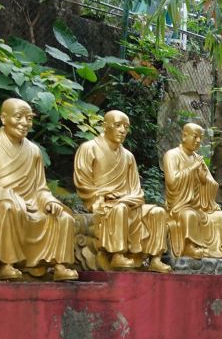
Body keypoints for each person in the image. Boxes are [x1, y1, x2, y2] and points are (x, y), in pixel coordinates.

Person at [0, 98, 78, 281]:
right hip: (2, 203)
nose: (24, 123)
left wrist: (49, 200)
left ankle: (59, 266)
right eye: (18, 117)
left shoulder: (34, 151)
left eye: (29, 118)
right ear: (3, 118)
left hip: (32, 204)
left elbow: (41, 188)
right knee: (9, 209)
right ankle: (6, 264)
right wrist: (6, 195)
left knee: (63, 218)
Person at [73, 110, 170, 272]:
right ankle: (117, 254)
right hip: (104, 203)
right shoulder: (89, 148)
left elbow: (137, 192)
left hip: (127, 203)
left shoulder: (128, 156)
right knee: (119, 209)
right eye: (118, 125)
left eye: (126, 127)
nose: (122, 130)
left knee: (158, 212)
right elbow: (82, 181)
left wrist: (126, 198)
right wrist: (102, 195)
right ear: (105, 126)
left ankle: (155, 258)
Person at [163, 123, 222, 261]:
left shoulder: (197, 159)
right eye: (195, 137)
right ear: (184, 136)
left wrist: (204, 180)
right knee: (189, 216)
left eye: (200, 138)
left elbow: (212, 185)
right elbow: (172, 182)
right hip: (180, 205)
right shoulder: (172, 155)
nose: (198, 141)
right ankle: (189, 247)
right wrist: (192, 168)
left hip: (200, 206)